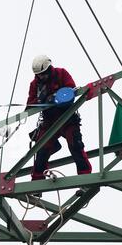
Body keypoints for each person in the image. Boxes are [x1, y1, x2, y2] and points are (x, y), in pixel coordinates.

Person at [26, 55, 92, 185]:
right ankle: (37, 185)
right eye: (39, 75)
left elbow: (71, 90)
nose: (41, 77)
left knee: (76, 146)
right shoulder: (35, 84)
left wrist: (55, 96)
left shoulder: (61, 73)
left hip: (67, 118)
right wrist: (42, 100)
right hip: (49, 123)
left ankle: (85, 179)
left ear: (49, 68)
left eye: (43, 74)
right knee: (41, 152)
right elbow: (30, 105)